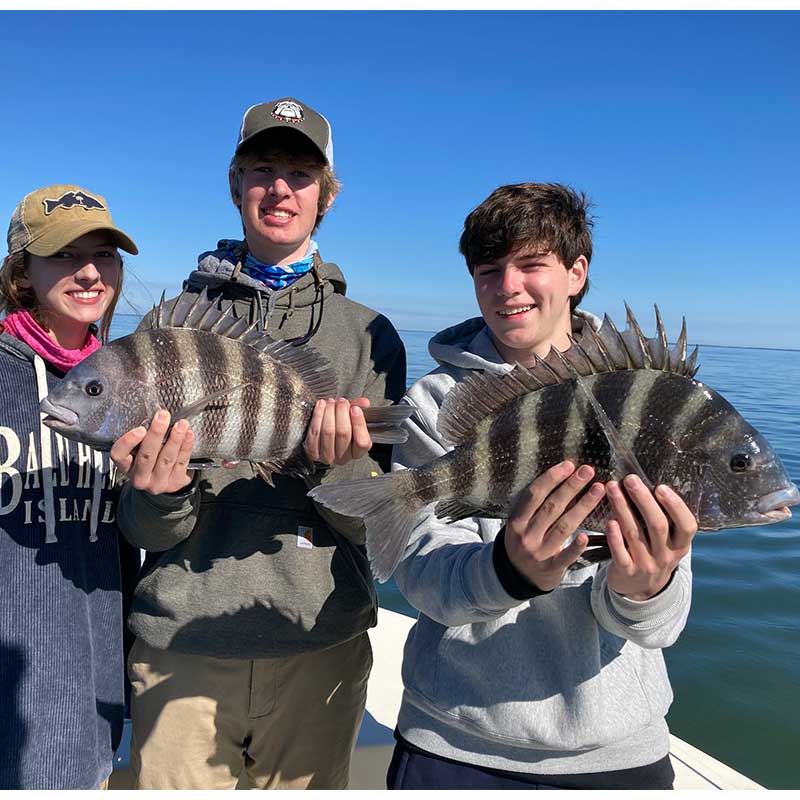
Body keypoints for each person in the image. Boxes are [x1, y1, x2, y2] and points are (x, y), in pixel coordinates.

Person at [109, 96, 407, 789]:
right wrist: (160, 490)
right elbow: (144, 523)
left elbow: (375, 517)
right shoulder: (170, 323)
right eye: (262, 168)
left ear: (326, 197)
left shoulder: (368, 334)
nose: (280, 188)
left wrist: (340, 464)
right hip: (181, 641)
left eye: (301, 175)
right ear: (236, 185)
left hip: (317, 644)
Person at [386, 182, 698, 790]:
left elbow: (660, 625)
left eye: (532, 265)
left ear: (577, 272)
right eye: (489, 270)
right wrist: (509, 569)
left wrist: (643, 588)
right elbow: (422, 577)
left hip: (617, 753)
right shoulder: (436, 404)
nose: (508, 287)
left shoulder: (643, 398)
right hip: (450, 741)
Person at [0, 184, 140, 788]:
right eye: (63, 255)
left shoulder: (126, 380)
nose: (88, 272)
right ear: (22, 274)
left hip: (92, 691)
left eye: (104, 255)